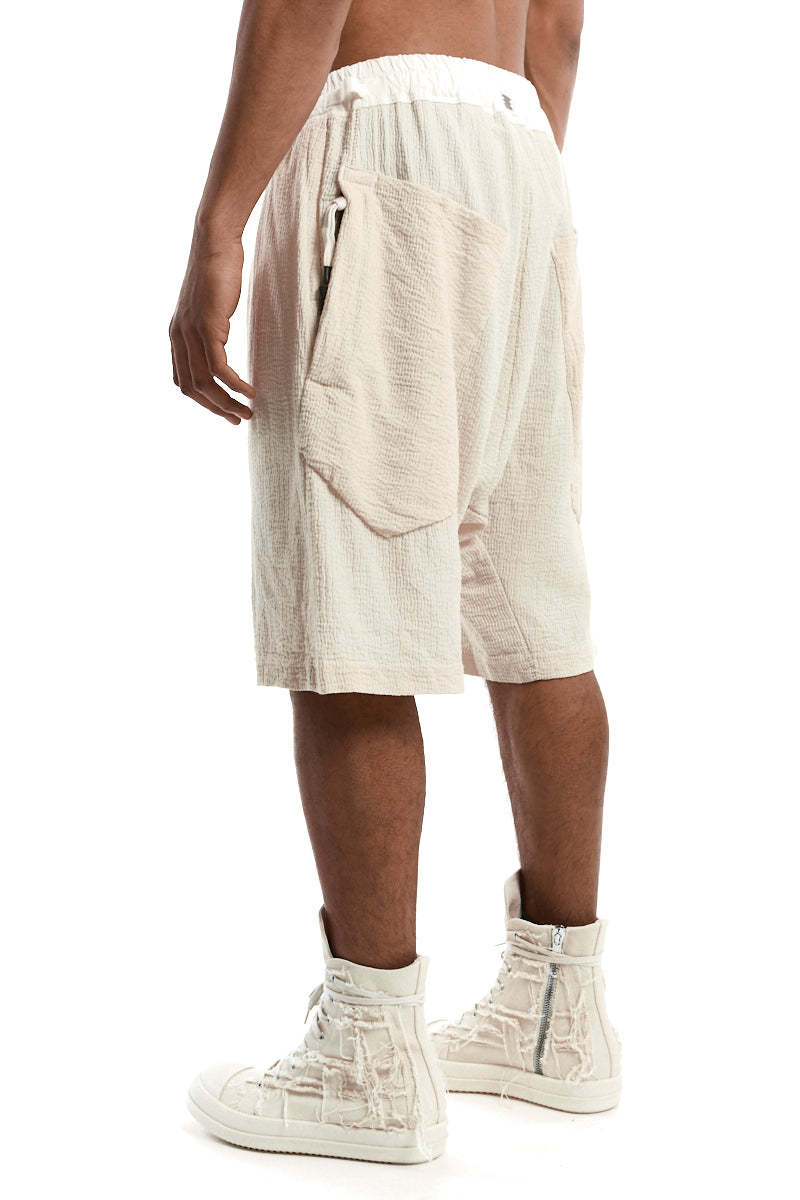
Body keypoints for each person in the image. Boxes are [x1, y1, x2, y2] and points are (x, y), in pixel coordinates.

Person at [170, 0, 621, 1166]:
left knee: (350, 596)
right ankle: (554, 1020)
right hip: (521, 141)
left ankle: (367, 1065)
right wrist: (501, 167)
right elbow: (559, 25)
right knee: (532, 595)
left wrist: (218, 226)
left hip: (381, 137)